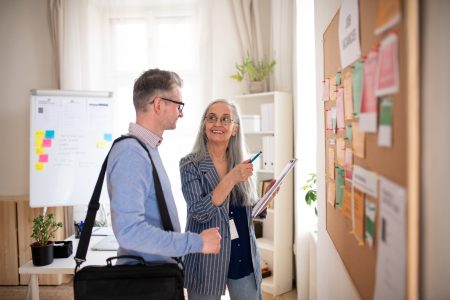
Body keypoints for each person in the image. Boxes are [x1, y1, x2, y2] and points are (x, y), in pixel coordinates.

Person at [106, 69, 221, 265]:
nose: (181, 113)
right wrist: (197, 242)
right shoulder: (131, 153)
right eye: (179, 106)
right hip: (144, 282)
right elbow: (129, 232)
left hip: (154, 277)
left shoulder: (145, 149)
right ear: (159, 104)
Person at [179, 99, 275, 300]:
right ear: (204, 125)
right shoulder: (190, 165)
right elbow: (199, 212)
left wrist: (266, 199)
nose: (217, 124)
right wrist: (231, 178)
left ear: (234, 129)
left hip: (242, 252)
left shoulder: (243, 163)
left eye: (225, 119)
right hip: (207, 257)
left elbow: (246, 212)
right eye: (212, 118)